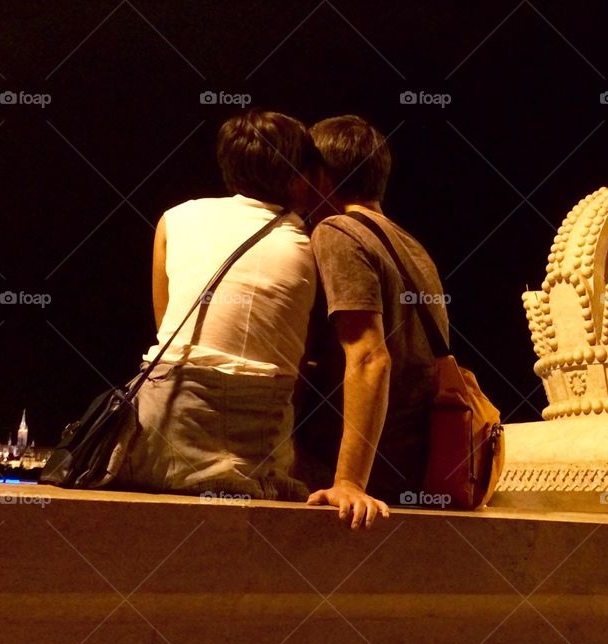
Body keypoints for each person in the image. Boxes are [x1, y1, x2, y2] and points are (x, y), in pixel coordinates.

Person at [114, 110, 318, 500]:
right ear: (297, 175)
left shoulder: (174, 219)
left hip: (164, 428)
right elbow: (299, 359)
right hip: (257, 443)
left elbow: (167, 332)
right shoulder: (308, 241)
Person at [299, 115, 449, 529]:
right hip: (416, 464)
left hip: (372, 470)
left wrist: (349, 481)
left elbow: (370, 357)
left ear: (322, 176)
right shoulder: (411, 245)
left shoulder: (337, 231)